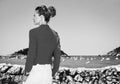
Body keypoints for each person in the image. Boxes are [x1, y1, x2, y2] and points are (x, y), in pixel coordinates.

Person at [22, 5, 61, 84]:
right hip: (47, 73)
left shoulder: (33, 32)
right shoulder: (55, 34)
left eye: (34, 15)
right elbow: (57, 57)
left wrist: (26, 72)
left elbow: (31, 54)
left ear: (42, 17)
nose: (33, 18)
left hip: (35, 71)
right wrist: (52, 73)